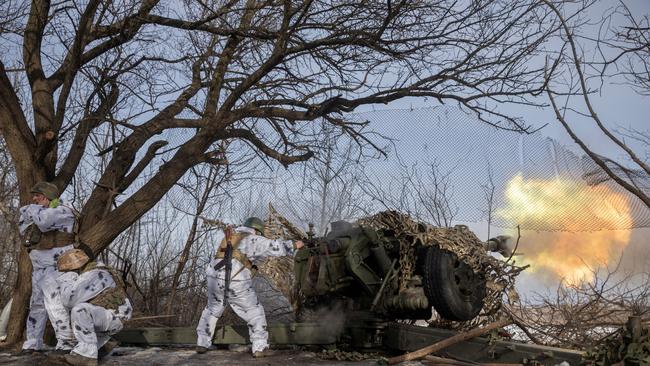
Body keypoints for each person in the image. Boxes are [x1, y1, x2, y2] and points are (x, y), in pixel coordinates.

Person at [196, 217, 304, 357]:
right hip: (236, 280)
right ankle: (259, 347)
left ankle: (202, 343)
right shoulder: (253, 239)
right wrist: (295, 245)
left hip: (213, 278)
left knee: (212, 309)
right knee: (254, 312)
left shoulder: (233, 236)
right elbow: (275, 247)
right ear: (257, 230)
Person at [42, 248, 132, 366]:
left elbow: (68, 300)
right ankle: (102, 344)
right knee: (83, 309)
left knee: (80, 310)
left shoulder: (94, 275)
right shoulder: (98, 271)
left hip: (113, 317)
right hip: (111, 315)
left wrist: (67, 279)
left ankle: (86, 356)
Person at [17, 181, 75, 354]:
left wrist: (30, 210)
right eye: (34, 196)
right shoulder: (43, 210)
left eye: (38, 196)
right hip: (39, 268)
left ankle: (65, 341)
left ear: (48, 197)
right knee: (37, 305)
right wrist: (30, 212)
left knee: (55, 303)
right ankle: (34, 342)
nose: (34, 199)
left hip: (57, 267)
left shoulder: (64, 210)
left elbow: (43, 221)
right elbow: (23, 226)